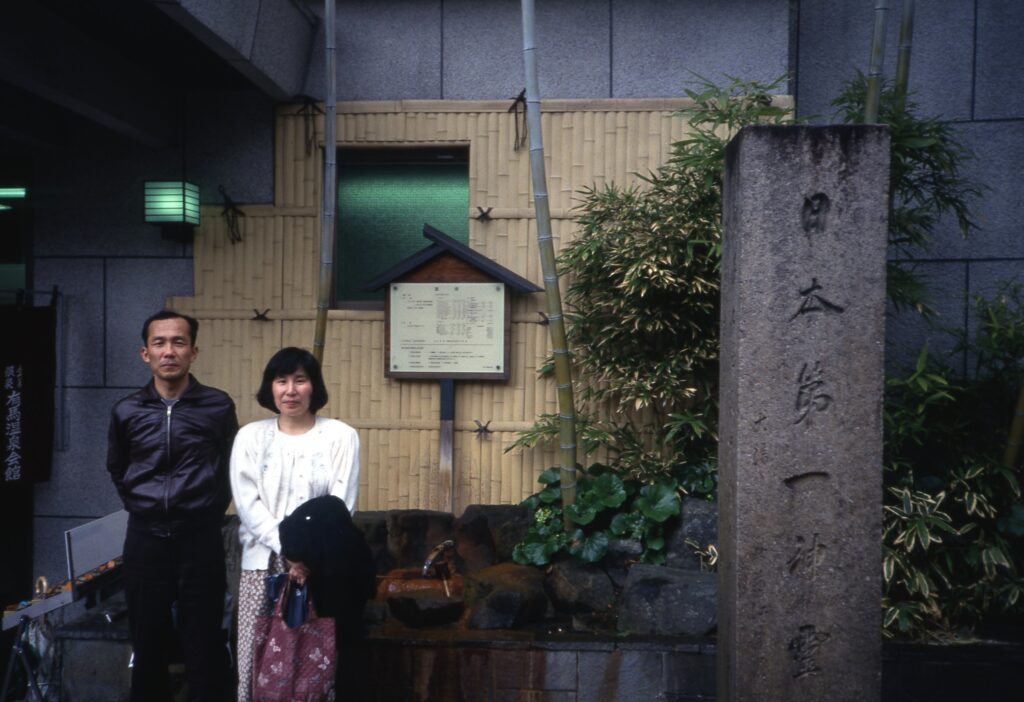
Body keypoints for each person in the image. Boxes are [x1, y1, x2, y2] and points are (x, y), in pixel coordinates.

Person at [107, 310, 238, 702]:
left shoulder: (217, 405)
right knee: (148, 643)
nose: (169, 351)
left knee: (204, 643)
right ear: (144, 353)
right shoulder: (127, 411)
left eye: (178, 342)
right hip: (145, 539)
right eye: (160, 343)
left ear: (193, 352)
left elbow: (231, 466)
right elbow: (117, 466)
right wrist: (142, 504)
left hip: (199, 539)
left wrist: (208, 511)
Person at [230, 347, 360, 702]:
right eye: (281, 380)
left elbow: (340, 505)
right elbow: (247, 502)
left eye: (300, 380)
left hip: (320, 567)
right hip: (264, 564)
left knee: (316, 663)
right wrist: (289, 550)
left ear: (313, 386)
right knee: (259, 658)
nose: (290, 390)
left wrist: (307, 556)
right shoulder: (251, 437)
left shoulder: (340, 436)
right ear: (270, 387)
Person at [278, 495, 377, 701]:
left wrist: (296, 563)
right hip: (348, 643)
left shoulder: (305, 553)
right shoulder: (351, 541)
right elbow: (369, 588)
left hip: (311, 658)